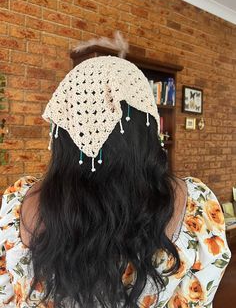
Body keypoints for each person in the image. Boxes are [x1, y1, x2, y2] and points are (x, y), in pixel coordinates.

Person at [0, 55, 231, 308]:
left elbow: (6, 298)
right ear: (148, 127)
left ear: (62, 127)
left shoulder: (18, 202)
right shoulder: (195, 203)